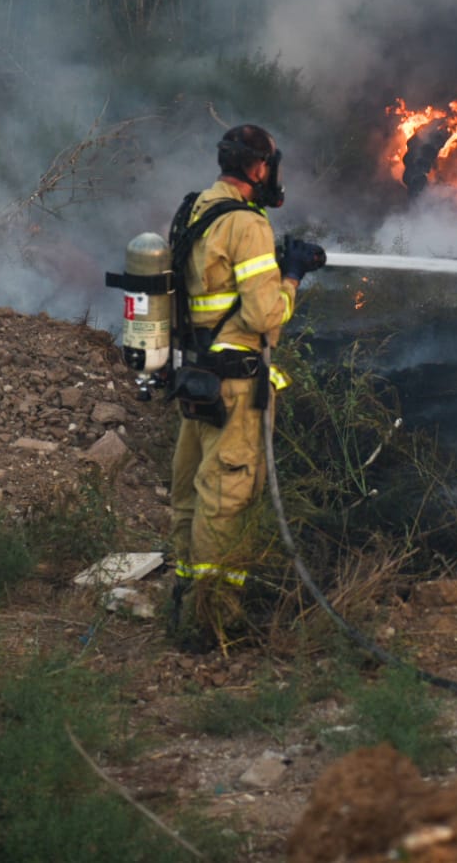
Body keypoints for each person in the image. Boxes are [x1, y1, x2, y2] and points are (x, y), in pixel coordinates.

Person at [166, 124, 323, 652]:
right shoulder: (247, 224)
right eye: (270, 164)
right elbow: (263, 315)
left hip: (196, 379)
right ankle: (216, 622)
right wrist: (292, 276)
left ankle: (184, 605)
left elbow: (217, 279)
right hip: (234, 388)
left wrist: (270, 261)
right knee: (227, 500)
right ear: (259, 168)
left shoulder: (199, 208)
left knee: (190, 495)